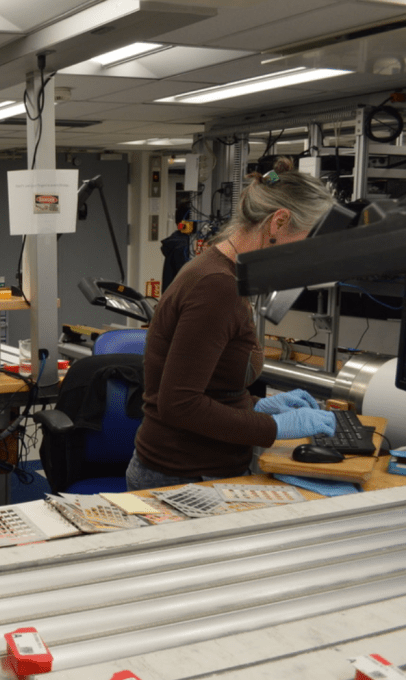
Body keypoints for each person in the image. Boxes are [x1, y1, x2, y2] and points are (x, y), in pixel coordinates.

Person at [126, 157, 337, 492]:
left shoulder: (218, 271)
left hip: (191, 468)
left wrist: (257, 406)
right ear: (278, 222)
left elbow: (208, 389)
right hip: (183, 476)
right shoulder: (217, 286)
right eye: (307, 241)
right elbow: (179, 404)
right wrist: (273, 426)